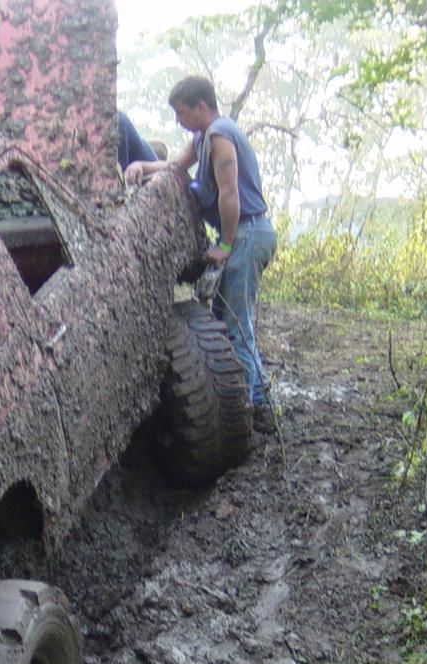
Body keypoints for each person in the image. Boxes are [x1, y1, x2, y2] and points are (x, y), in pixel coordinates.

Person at [124, 76, 278, 434]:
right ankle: (255, 399)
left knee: (237, 326)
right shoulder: (202, 138)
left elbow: (229, 194)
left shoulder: (220, 136)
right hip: (242, 233)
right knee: (227, 320)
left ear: (201, 106)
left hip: (248, 233)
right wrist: (143, 166)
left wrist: (225, 245)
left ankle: (253, 409)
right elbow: (177, 166)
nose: (179, 121)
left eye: (182, 113)